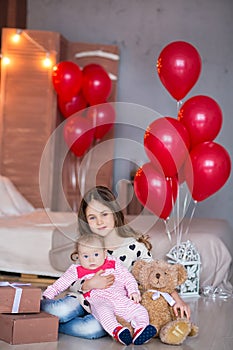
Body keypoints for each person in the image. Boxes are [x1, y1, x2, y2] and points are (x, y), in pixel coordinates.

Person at [41, 185, 191, 340]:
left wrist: (177, 300)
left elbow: (155, 276)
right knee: (60, 311)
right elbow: (71, 279)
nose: (99, 222)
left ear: (115, 214)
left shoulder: (134, 247)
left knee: (92, 331)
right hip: (83, 299)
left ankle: (53, 326)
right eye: (92, 217)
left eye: (104, 214)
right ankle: (35, 308)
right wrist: (88, 284)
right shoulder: (88, 245)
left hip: (112, 307)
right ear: (86, 221)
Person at [42, 233, 156, 345]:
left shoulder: (114, 263)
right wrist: (46, 296)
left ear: (104, 253)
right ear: (79, 256)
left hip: (121, 299)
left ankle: (141, 329)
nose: (91, 260)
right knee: (104, 312)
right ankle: (116, 330)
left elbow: (128, 278)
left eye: (96, 255)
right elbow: (60, 284)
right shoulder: (77, 270)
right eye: (86, 256)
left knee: (139, 310)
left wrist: (133, 291)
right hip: (100, 301)